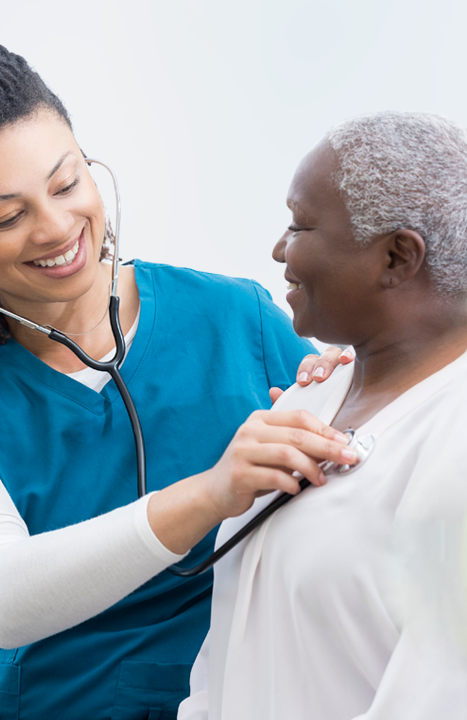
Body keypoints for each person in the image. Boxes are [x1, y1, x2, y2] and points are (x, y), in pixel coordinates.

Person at [0, 42, 354, 720]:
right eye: (7, 217)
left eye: (67, 183)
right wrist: (214, 490)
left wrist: (351, 398)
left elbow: (358, 497)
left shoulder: (235, 319)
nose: (57, 227)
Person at [178, 111, 467, 720]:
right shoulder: (311, 396)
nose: (279, 249)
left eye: (300, 225)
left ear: (396, 257)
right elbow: (229, 648)